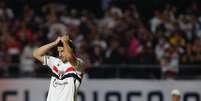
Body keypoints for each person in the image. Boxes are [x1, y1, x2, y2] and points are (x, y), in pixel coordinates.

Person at [33, 35, 84, 101]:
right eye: (59, 52)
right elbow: (36, 54)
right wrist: (55, 43)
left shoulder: (79, 63)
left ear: (70, 50)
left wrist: (65, 42)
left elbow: (69, 57)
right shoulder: (55, 62)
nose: (60, 55)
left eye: (62, 51)